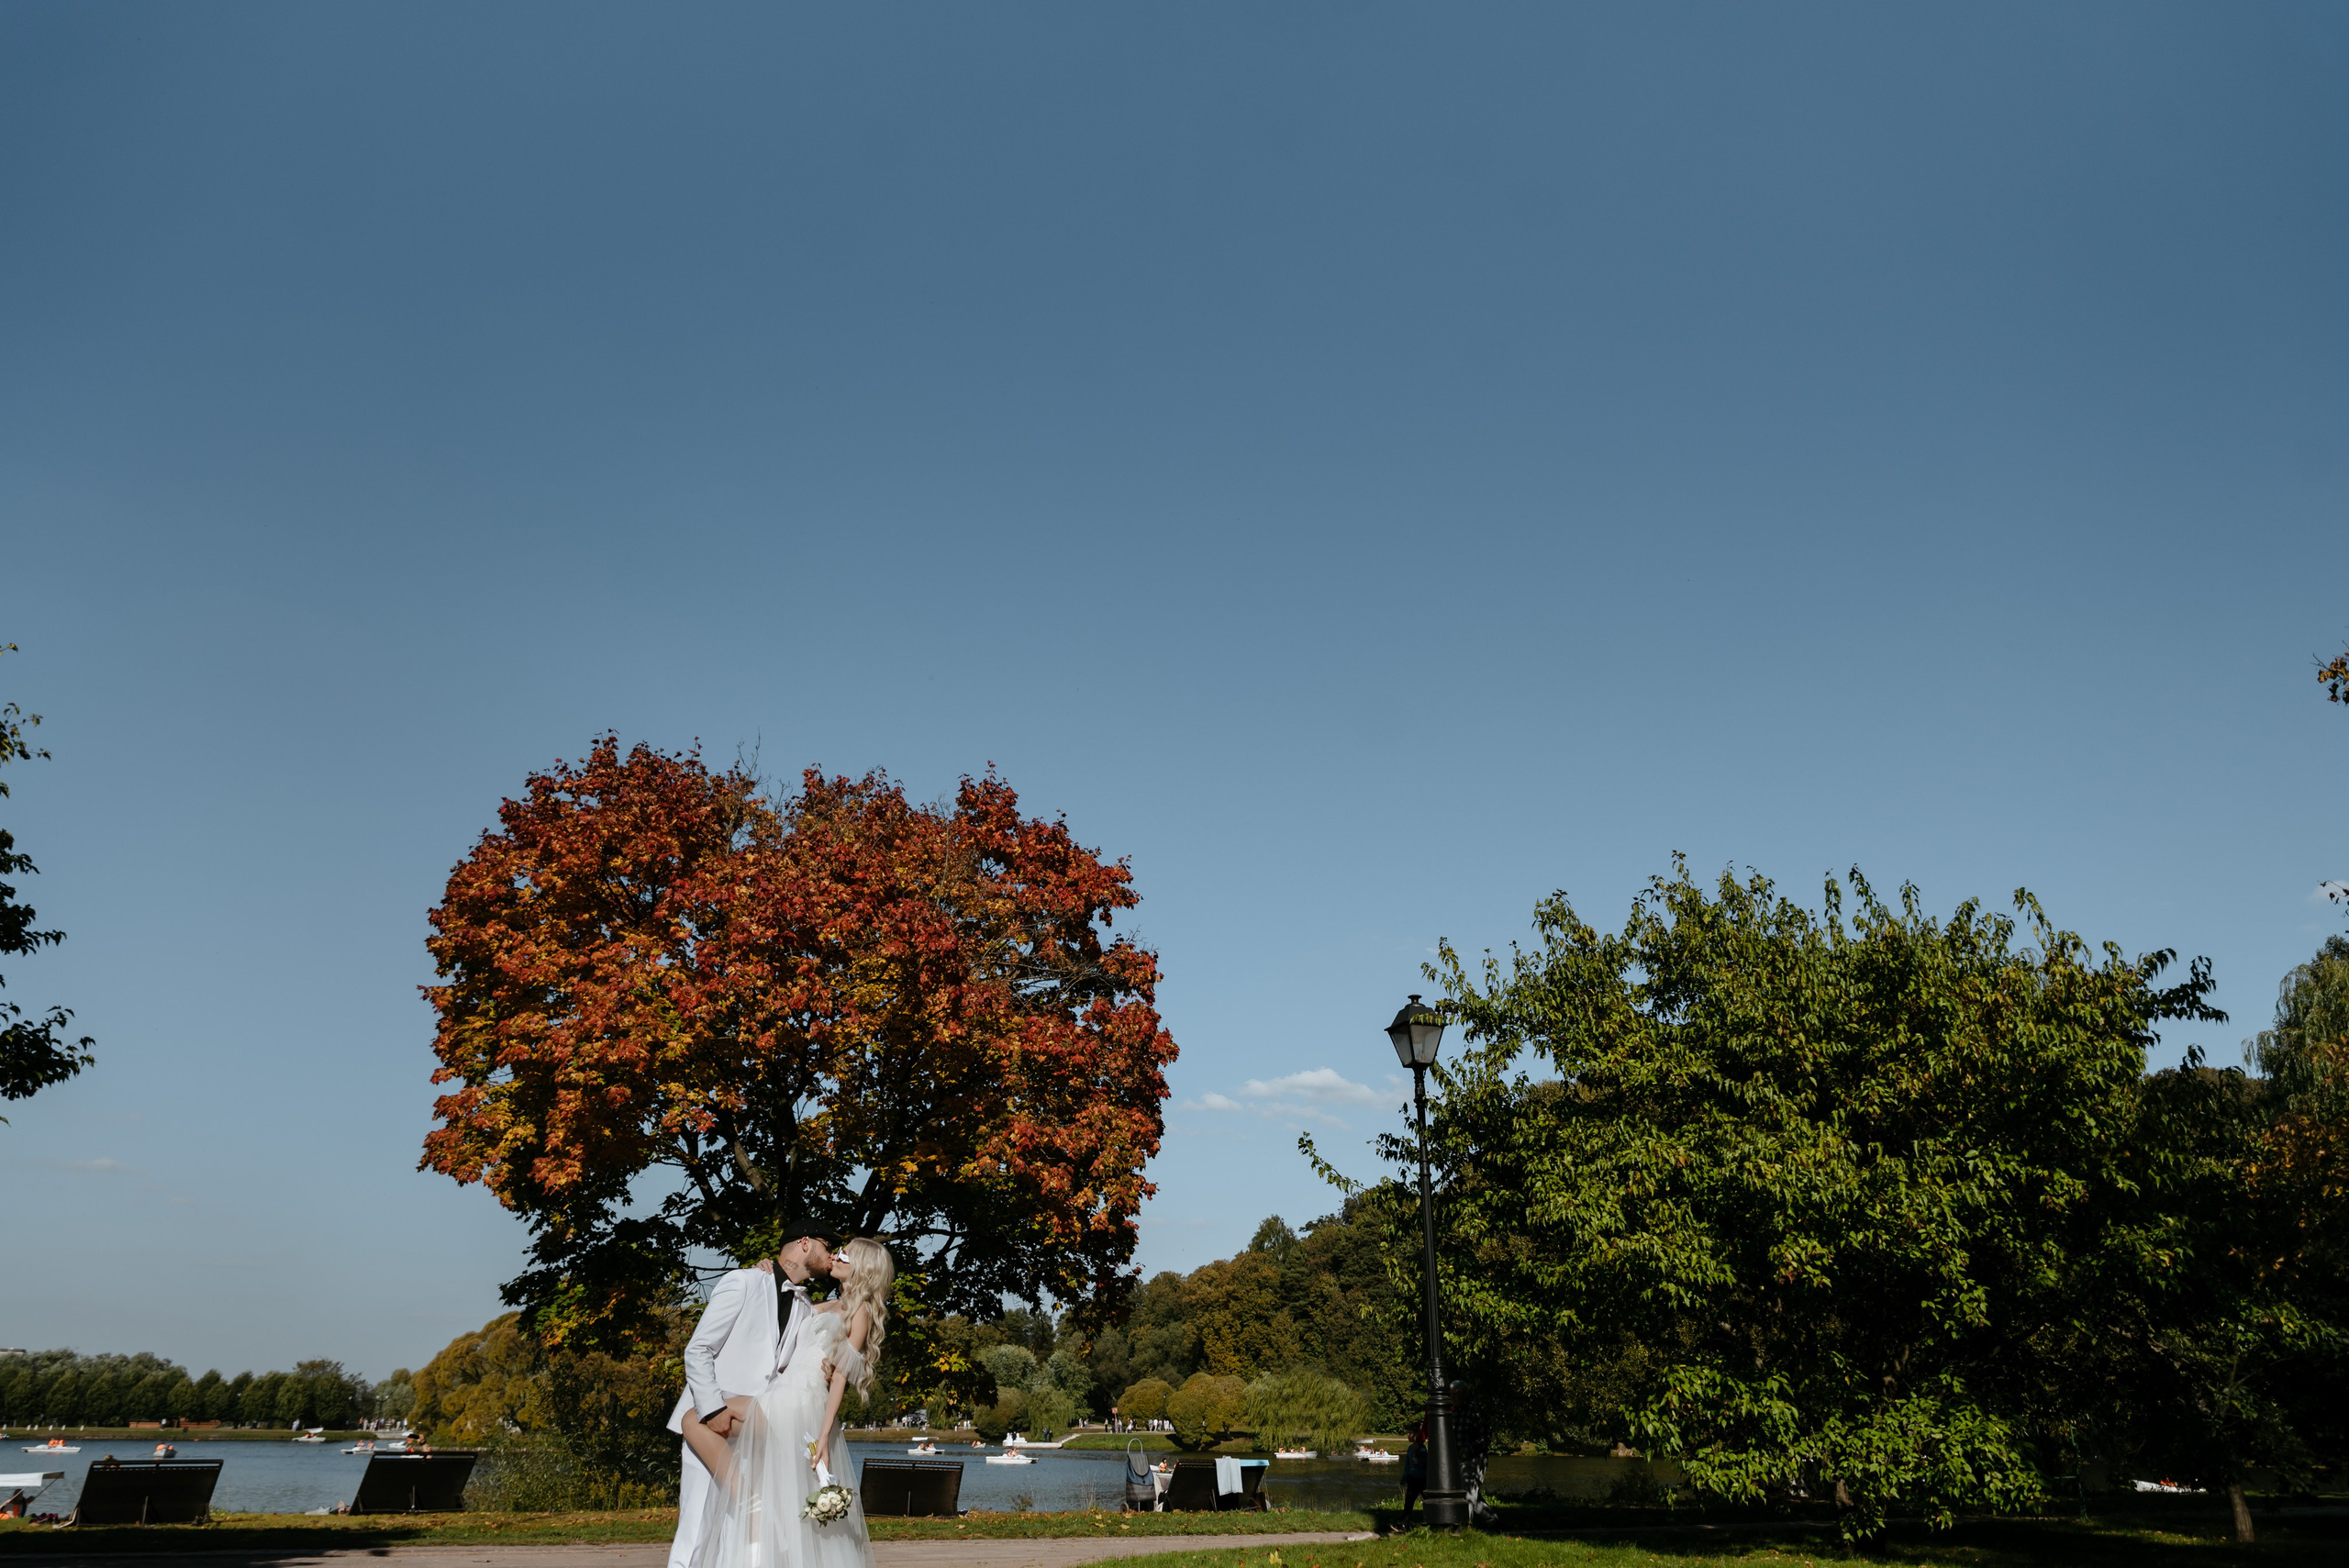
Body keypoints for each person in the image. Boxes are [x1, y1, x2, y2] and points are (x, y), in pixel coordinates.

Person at [684, 1237, 894, 1568]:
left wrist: (824, 1437)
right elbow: (786, 1304)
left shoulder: (862, 1312)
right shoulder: (821, 1304)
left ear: (863, 1268)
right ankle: (753, 1505)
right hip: (782, 1392)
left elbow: (839, 1378)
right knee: (703, 1422)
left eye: (845, 1254)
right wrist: (767, 1271)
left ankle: (750, 1503)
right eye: (837, 1251)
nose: (836, 1257)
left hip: (800, 1399)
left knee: (694, 1418)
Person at [665, 1235, 837, 1568]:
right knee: (698, 1525)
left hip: (759, 1427)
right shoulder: (743, 1282)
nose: (830, 1255)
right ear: (805, 1242)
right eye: (827, 1246)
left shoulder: (803, 1306)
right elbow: (698, 1349)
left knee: (739, 1531)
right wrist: (713, 1409)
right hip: (713, 1422)